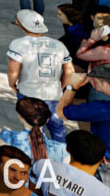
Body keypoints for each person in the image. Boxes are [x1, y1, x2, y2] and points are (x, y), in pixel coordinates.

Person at [61, 63, 110, 196]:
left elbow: (61, 111)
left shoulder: (104, 109)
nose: (94, 87)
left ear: (106, 84)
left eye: (95, 84)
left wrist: (72, 86)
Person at [9, 9, 72, 144]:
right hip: (53, 94)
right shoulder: (58, 45)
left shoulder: (18, 44)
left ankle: (38, 157)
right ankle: (62, 156)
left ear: (21, 25)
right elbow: (69, 71)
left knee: (34, 128)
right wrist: (60, 87)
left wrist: (12, 84)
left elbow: (13, 70)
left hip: (29, 92)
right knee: (57, 127)